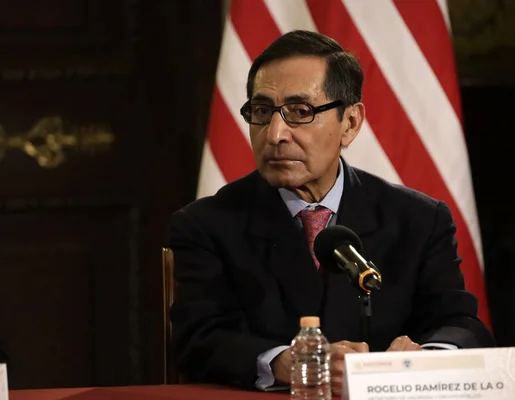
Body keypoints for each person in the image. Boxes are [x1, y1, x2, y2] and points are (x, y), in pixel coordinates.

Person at [168, 30, 494, 395]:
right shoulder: (206, 225)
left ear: (350, 123)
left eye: (300, 112)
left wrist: (418, 363)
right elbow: (198, 338)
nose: (275, 134)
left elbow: (461, 324)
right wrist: (287, 362)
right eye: (261, 111)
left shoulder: (418, 219)